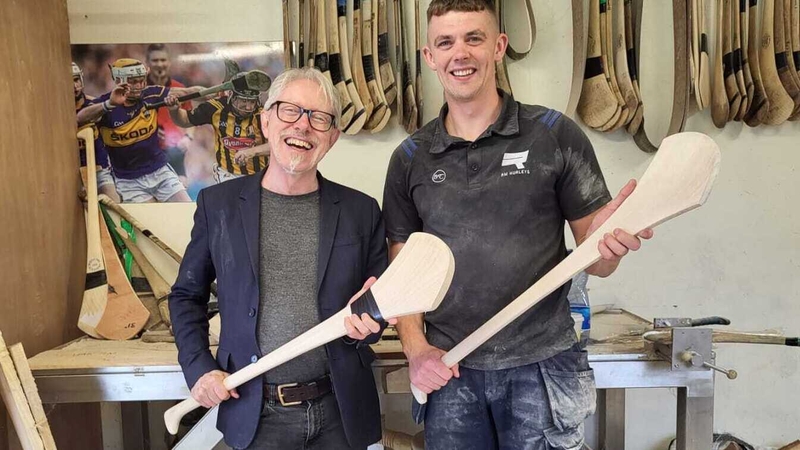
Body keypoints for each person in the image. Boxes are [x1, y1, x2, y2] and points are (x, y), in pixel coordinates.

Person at [382, 1, 654, 449]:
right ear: (430, 56)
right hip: (452, 369)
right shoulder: (410, 159)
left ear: (498, 47)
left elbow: (598, 263)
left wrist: (607, 246)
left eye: (474, 38)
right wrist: (416, 350)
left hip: (542, 368)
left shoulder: (552, 135)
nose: (460, 53)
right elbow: (402, 277)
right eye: (445, 42)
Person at [169, 67, 391, 450]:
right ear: (266, 121)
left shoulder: (362, 211)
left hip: (340, 414)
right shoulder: (218, 206)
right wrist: (200, 370)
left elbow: (379, 304)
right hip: (257, 414)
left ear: (332, 138)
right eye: (290, 111)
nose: (303, 126)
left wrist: (372, 323)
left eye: (319, 118)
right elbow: (186, 297)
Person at [76, 58, 203, 202]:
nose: (139, 86)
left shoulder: (151, 94)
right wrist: (109, 104)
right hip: (129, 181)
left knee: (187, 212)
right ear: (119, 80)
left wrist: (211, 93)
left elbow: (188, 92)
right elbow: (80, 118)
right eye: (133, 81)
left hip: (160, 172)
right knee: (147, 222)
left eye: (142, 80)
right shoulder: (105, 103)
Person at [165, 71, 270, 185]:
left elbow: (276, 146)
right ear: (232, 97)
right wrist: (174, 110)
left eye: (252, 101)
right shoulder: (216, 108)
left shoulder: (264, 115)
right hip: (226, 175)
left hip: (258, 176)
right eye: (243, 101)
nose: (249, 106)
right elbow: (184, 121)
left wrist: (252, 152)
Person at [73, 62, 120, 202]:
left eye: (76, 80)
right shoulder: (57, 110)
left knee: (115, 204)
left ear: (81, 79)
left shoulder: (94, 104)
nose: (74, 86)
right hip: (72, 174)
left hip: (99, 170)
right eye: (69, 81)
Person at [145, 44, 194, 180]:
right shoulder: (141, 90)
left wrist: (188, 138)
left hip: (174, 151)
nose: (160, 64)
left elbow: (190, 119)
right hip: (148, 153)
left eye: (163, 60)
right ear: (147, 63)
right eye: (155, 60)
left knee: (182, 187)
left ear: (169, 62)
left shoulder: (179, 88)